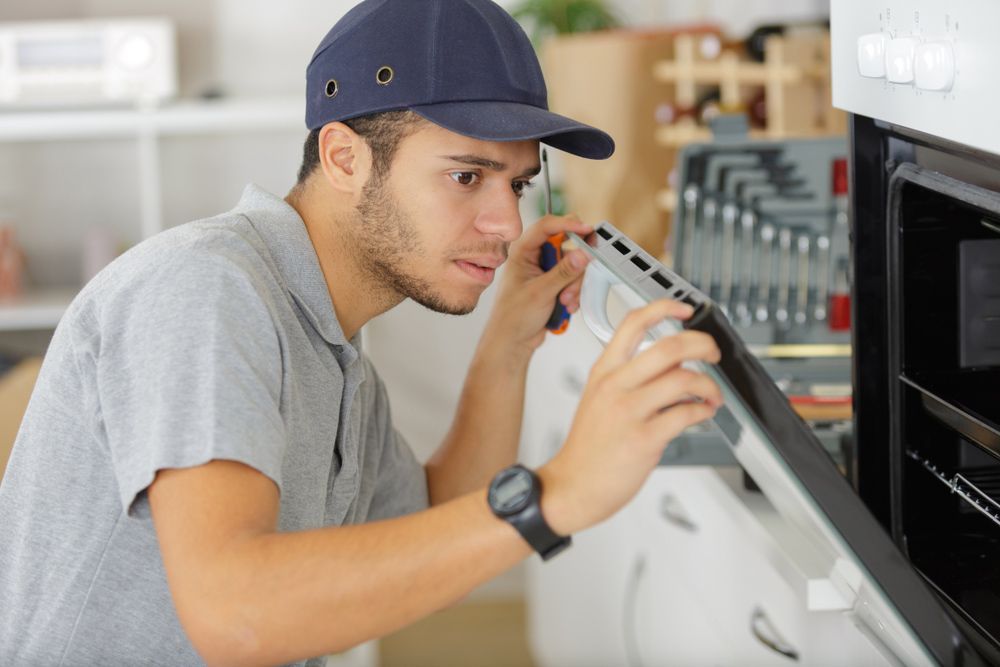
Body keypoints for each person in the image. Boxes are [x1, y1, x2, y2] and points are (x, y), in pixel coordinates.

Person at [0, 1, 722, 665]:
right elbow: (235, 612)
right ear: (346, 157)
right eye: (467, 176)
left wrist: (509, 341)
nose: (507, 223)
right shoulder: (204, 289)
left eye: (517, 184)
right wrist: (558, 492)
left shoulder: (333, 352)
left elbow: (440, 520)